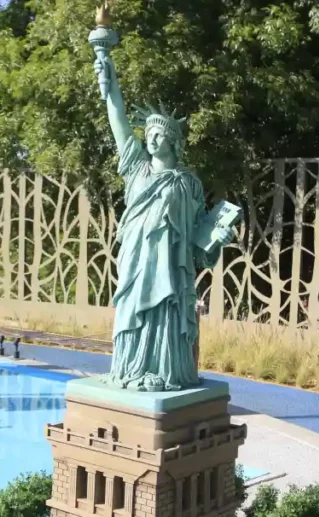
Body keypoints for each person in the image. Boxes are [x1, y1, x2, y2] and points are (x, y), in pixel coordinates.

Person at [92, 52, 235, 392]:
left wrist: (219, 237)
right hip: (137, 259)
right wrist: (109, 78)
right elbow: (119, 122)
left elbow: (200, 238)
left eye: (160, 135)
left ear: (174, 141)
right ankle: (132, 370)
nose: (152, 139)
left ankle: (168, 372)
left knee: (168, 308)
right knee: (134, 311)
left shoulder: (188, 184)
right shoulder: (136, 167)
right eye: (150, 134)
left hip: (172, 265)